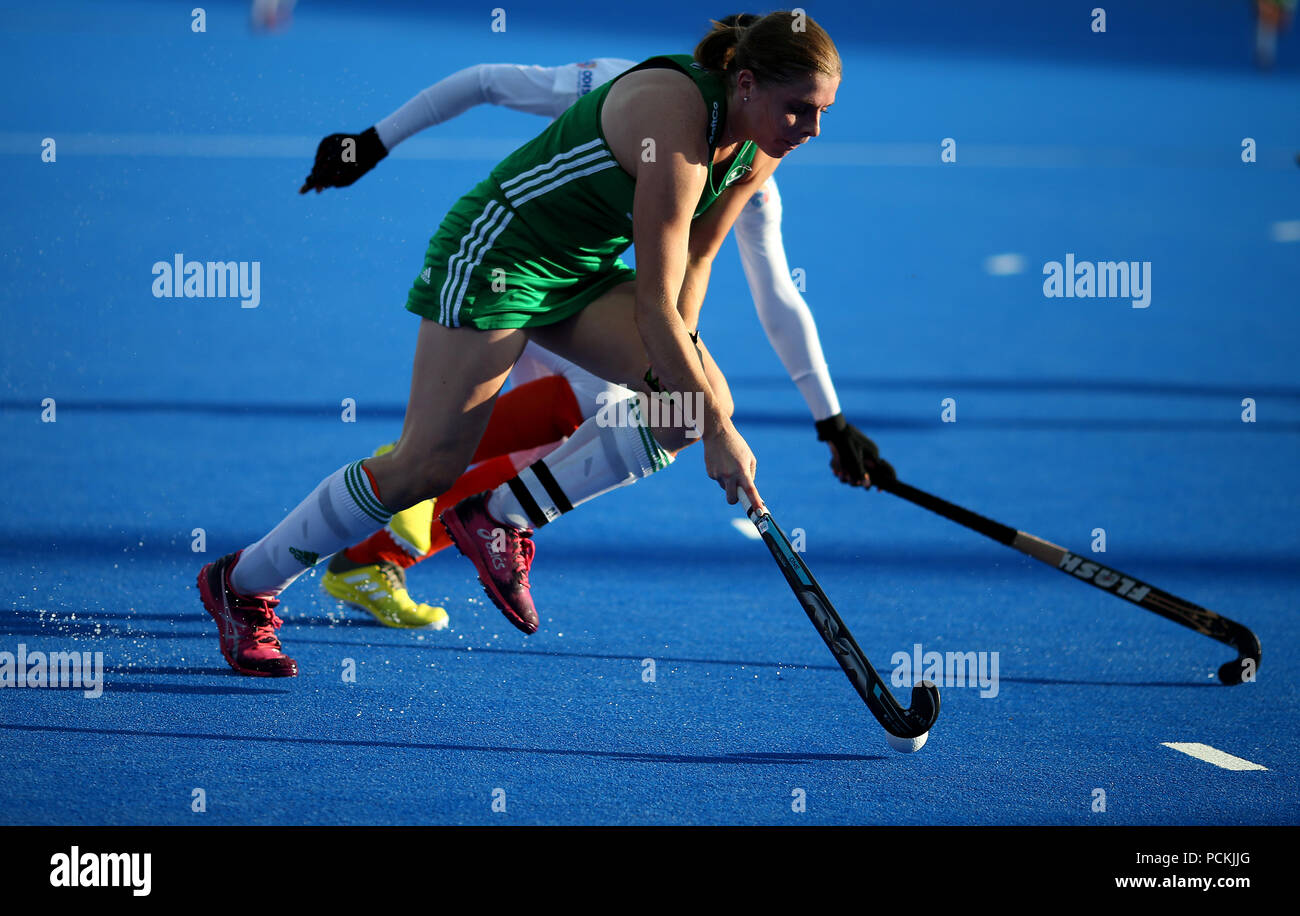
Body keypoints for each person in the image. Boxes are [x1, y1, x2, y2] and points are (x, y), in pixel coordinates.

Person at [199, 11, 848, 677]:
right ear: (744, 84)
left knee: (681, 407)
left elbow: (694, 268)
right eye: (800, 109)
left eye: (823, 112)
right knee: (425, 468)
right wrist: (716, 426)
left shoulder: (758, 150)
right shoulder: (674, 119)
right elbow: (654, 305)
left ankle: (500, 518)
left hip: (580, 275)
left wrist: (699, 399)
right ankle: (242, 584)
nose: (813, 129)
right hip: (495, 256)